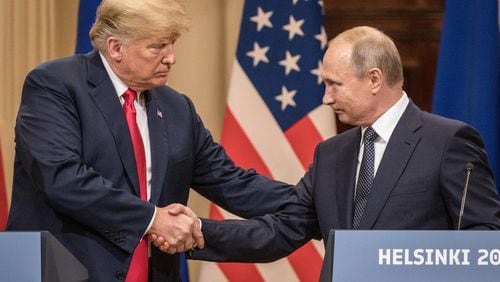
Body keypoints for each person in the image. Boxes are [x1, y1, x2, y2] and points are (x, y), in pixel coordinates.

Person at [6, 0, 295, 281]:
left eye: (172, 44)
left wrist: (309, 200)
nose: (171, 57)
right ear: (116, 48)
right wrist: (153, 219)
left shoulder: (177, 107)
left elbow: (229, 181)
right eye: (157, 46)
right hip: (68, 268)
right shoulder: (56, 84)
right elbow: (62, 178)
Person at [179, 26, 500, 262]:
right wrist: (192, 233)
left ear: (374, 79)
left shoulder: (448, 141)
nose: (325, 97)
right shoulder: (331, 154)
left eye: (335, 84)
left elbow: (483, 243)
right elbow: (280, 230)